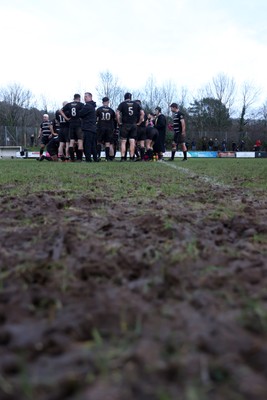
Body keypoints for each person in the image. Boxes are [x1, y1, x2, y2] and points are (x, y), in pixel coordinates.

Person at [116, 92, 144, 161]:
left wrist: (119, 122)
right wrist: (139, 122)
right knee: (132, 141)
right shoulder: (136, 104)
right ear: (131, 97)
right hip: (133, 125)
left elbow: (117, 113)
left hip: (125, 124)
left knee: (123, 141)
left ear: (124, 97)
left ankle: (122, 157)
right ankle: (132, 157)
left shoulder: (122, 104)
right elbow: (142, 113)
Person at [60, 94, 84, 162]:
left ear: (74, 98)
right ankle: (79, 158)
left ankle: (72, 158)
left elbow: (60, 111)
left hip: (71, 124)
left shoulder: (69, 104)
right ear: (79, 98)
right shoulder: (81, 104)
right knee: (80, 141)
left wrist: (66, 118)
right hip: (78, 124)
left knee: (71, 141)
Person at [79, 92, 98, 162]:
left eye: (86, 97)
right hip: (93, 128)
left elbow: (80, 114)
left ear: (90, 97)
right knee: (93, 144)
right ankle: (95, 158)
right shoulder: (93, 106)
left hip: (88, 127)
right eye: (84, 97)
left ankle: (88, 159)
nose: (84, 98)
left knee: (87, 144)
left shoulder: (87, 106)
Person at [96, 97, 116, 161]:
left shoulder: (98, 109)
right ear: (108, 102)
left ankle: (98, 156)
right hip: (109, 128)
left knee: (98, 142)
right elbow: (114, 119)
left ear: (102, 102)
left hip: (100, 127)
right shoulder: (111, 110)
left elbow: (96, 119)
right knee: (107, 143)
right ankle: (107, 158)